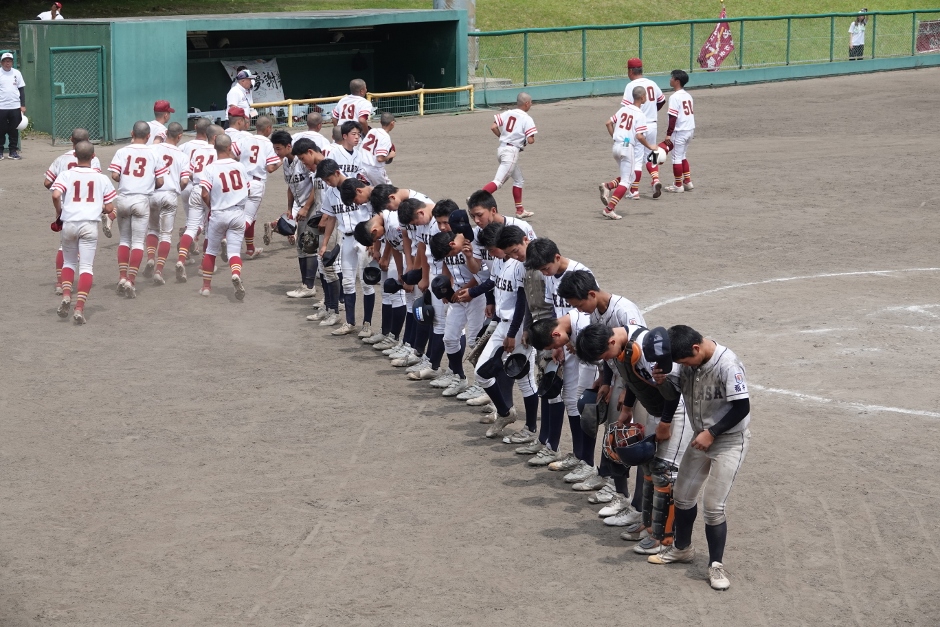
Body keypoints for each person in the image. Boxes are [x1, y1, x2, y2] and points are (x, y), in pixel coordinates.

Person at [648, 325, 751, 592]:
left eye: (684, 361)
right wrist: (663, 383)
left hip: (728, 441)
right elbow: (673, 396)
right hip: (700, 438)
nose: (682, 366)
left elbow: (742, 406)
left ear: (696, 348)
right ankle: (682, 549)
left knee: (713, 506)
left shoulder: (727, 364)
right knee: (682, 496)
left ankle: (716, 565)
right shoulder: (686, 363)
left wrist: (712, 433)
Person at [50, 141, 115, 324]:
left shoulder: (66, 174)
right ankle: (79, 308)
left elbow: (55, 195)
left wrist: (59, 211)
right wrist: (98, 206)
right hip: (89, 226)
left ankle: (66, 295)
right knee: (86, 267)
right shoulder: (101, 178)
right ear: (93, 156)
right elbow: (110, 207)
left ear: (75, 155)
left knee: (69, 262)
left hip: (69, 224)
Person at [108, 121, 166, 298]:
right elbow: (161, 181)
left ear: (132, 133)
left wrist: (128, 181)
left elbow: (115, 174)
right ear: (148, 136)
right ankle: (131, 280)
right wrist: (148, 183)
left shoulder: (122, 151)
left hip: (124, 199)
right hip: (141, 200)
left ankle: (121, 277)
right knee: (138, 243)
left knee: (124, 240)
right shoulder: (154, 153)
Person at [319, 159, 375, 336]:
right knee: (348, 282)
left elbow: (375, 211)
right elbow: (331, 218)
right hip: (347, 239)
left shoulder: (358, 185)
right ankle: (350, 322)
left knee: (366, 282)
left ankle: (367, 325)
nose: (328, 183)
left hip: (365, 238)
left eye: (328, 179)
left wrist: (374, 241)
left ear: (337, 172)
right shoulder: (330, 193)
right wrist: (325, 244)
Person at [44, 128, 103, 294]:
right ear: (88, 141)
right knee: (81, 250)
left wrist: (61, 191)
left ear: (71, 140)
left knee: (64, 247)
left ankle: (60, 283)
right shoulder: (94, 159)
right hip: (86, 207)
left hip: (66, 208)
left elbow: (47, 182)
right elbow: (95, 181)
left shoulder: (61, 158)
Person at [198, 134, 249, 299]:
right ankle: (235, 274)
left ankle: (206, 287)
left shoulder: (210, 168)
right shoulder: (239, 166)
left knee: (211, 251)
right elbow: (247, 189)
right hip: (237, 213)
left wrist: (211, 206)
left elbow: (204, 193)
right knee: (234, 252)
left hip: (219, 213)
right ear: (229, 147)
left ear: (215, 148)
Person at [600, 86, 659, 219]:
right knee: (626, 181)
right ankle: (609, 209)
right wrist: (650, 146)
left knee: (629, 176)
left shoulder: (623, 109)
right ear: (642, 97)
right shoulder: (640, 114)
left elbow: (608, 123)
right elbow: (639, 136)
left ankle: (608, 186)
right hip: (627, 148)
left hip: (616, 146)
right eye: (645, 96)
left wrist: (615, 137)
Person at [144, 122, 190, 285]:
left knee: (152, 229)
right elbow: (185, 181)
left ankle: (150, 258)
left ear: (166, 134)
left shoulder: (152, 149)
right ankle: (158, 271)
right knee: (166, 234)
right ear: (179, 136)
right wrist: (177, 188)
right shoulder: (182, 156)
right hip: (169, 195)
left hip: (152, 193)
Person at [480, 93, 537, 219]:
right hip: (511, 153)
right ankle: (476, 198)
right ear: (527, 103)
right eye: (531, 102)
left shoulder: (508, 113)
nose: (531, 105)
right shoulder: (527, 118)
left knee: (519, 180)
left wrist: (503, 137)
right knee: (498, 182)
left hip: (501, 149)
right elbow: (531, 140)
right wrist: (524, 140)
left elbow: (493, 127)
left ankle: (520, 210)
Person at [619, 57, 665, 200]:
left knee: (637, 159)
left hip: (639, 128)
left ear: (631, 71)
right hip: (652, 125)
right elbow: (662, 100)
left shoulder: (631, 86)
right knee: (652, 154)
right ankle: (655, 180)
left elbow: (626, 108)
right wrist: (652, 111)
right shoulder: (652, 83)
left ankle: (634, 191)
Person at [238, 115, 281, 259]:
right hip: (256, 183)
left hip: (240, 182)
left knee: (244, 214)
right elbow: (270, 168)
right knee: (248, 217)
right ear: (268, 128)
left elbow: (232, 154)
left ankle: (250, 249)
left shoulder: (245, 139)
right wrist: (282, 160)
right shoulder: (268, 144)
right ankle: (229, 238)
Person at [664, 70, 696, 194]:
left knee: (676, 158)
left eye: (672, 77)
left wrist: (668, 134)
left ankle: (678, 185)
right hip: (690, 130)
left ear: (677, 81)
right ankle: (687, 181)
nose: (670, 79)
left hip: (680, 131)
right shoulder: (688, 95)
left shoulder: (674, 97)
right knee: (682, 156)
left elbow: (673, 117)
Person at [0, 52, 26, 160]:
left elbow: (21, 90)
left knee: (14, 130)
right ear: (1, 62)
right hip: (1, 107)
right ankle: (0, 152)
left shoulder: (17, 73)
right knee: (1, 130)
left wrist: (22, 105)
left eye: (9, 61)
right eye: (5, 61)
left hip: (15, 106)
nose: (7, 63)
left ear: (12, 62)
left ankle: (13, 152)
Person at [359, 112, 396, 185]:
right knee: (388, 190)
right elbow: (380, 159)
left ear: (380, 122)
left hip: (362, 167)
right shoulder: (385, 137)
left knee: (369, 189)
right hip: (375, 169)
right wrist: (390, 155)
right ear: (392, 123)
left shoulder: (372, 131)